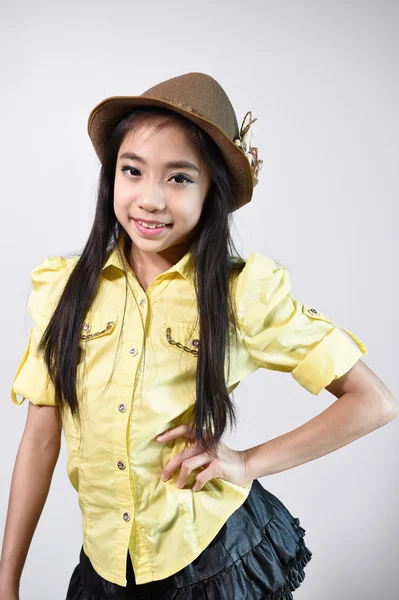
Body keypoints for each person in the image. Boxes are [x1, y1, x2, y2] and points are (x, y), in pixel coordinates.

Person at [1, 72, 397, 600]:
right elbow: (40, 438)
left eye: (179, 178)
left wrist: (248, 462)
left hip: (208, 565)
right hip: (104, 569)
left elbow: (373, 401)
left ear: (212, 190)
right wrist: (8, 582)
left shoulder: (239, 293)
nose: (150, 199)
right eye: (132, 171)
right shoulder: (63, 292)